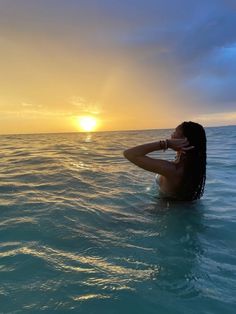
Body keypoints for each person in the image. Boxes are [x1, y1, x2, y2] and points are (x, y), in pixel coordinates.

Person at [123, 121, 207, 201]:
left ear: (183, 140)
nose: (171, 135)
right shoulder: (193, 167)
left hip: (164, 211)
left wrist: (166, 144)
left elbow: (129, 154)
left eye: (175, 132)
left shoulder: (173, 170)